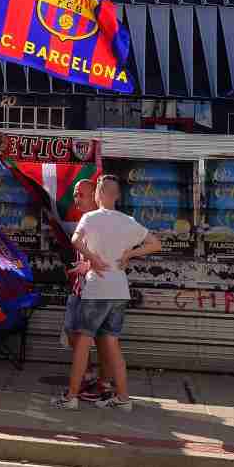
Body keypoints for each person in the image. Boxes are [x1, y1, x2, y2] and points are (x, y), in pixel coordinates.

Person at [53, 175, 162, 412]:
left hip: (96, 288)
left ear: (98, 194)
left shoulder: (89, 218)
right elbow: (155, 244)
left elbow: (75, 240)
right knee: (112, 343)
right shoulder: (128, 221)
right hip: (119, 290)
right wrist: (128, 255)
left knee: (82, 343)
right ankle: (123, 399)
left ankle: (71, 397)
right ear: (118, 195)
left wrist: (92, 258)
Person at [61, 179, 113, 403]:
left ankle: (103, 384)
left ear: (95, 196)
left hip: (97, 289)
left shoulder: (104, 221)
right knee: (72, 331)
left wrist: (88, 266)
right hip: (79, 287)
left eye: (81, 194)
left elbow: (113, 258)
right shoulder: (84, 219)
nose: (76, 199)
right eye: (75, 194)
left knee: (102, 339)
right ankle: (89, 373)